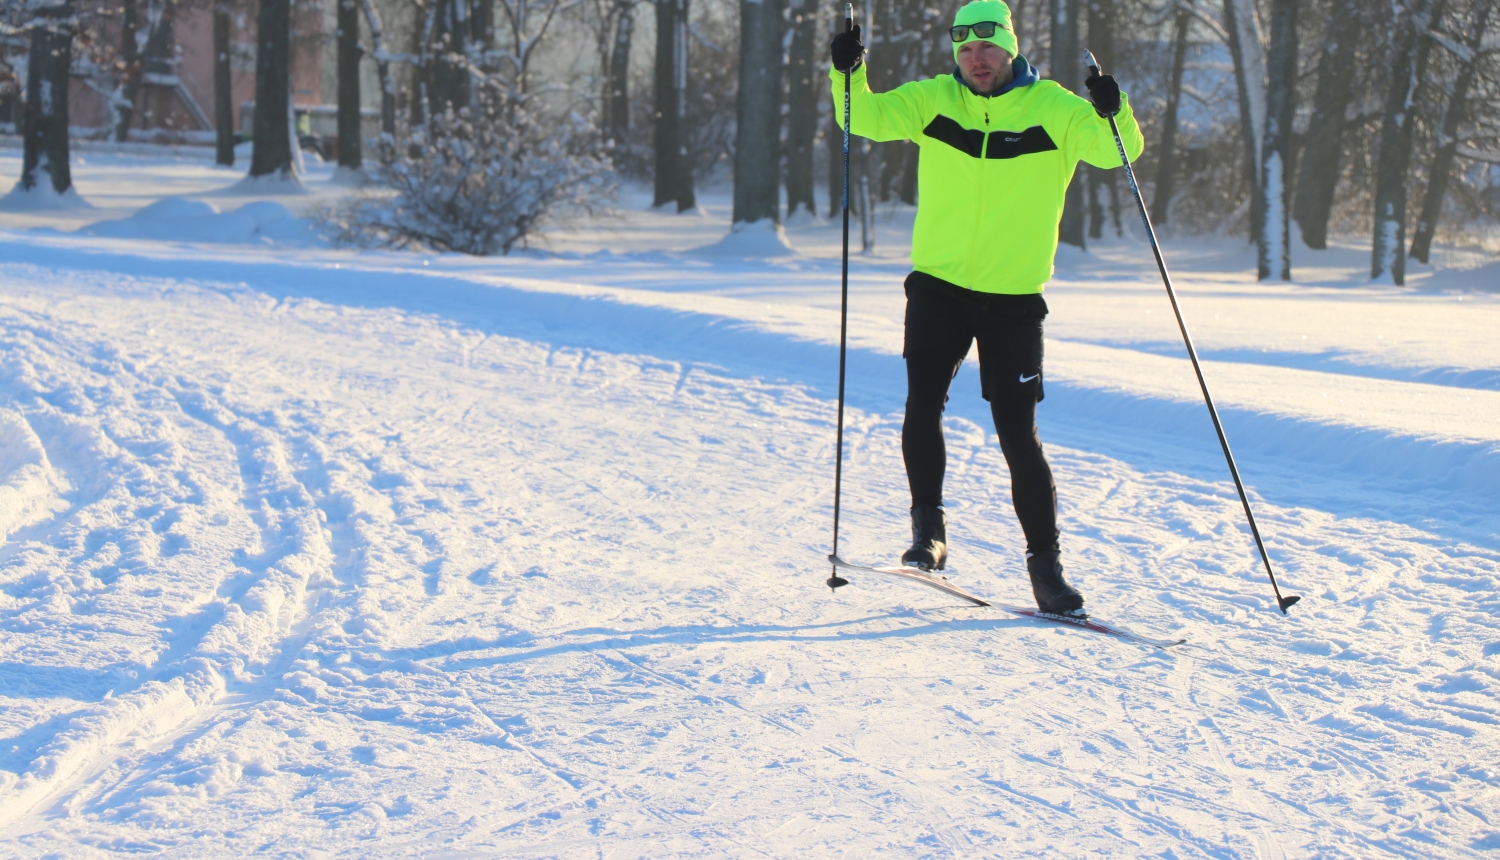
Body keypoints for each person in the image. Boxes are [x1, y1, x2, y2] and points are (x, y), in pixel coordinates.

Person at [828, 0, 1143, 615]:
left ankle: (1046, 570)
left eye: (987, 48)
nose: (976, 60)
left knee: (1017, 435)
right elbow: (859, 116)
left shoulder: (1053, 108)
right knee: (923, 404)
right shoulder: (932, 99)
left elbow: (1116, 152)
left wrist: (1115, 109)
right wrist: (847, 72)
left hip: (1012, 299)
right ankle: (929, 536)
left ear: (1010, 48)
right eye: (965, 50)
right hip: (938, 288)